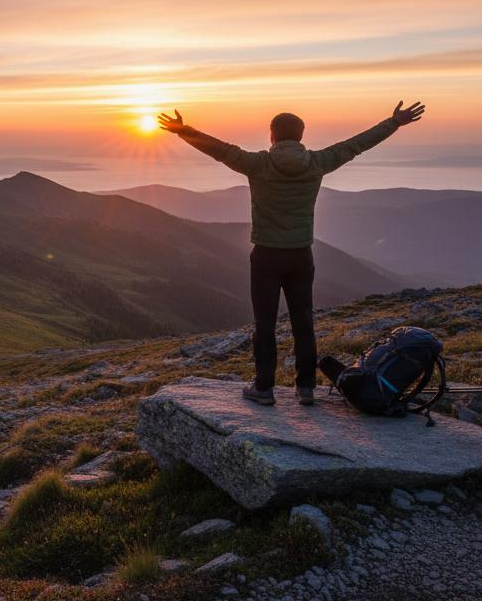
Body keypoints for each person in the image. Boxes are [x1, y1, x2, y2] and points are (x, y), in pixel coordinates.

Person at [158, 101, 425, 405]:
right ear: (301, 135)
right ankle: (306, 388)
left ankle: (264, 387)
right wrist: (392, 123)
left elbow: (221, 150)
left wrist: (183, 131)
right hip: (301, 255)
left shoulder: (258, 163)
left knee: (264, 324)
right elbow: (355, 145)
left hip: (266, 256)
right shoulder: (316, 162)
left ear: (272, 135)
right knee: (303, 322)